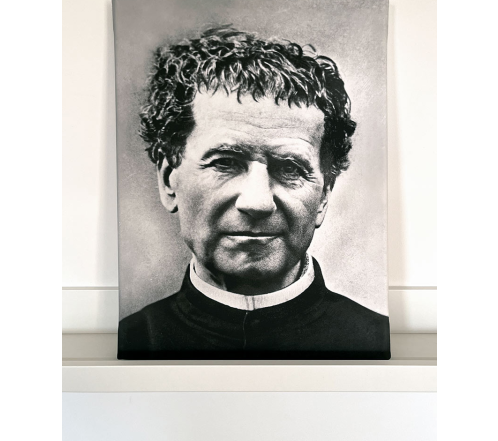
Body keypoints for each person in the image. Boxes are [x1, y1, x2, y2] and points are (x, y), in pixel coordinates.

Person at [118, 26, 390, 359]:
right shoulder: (132, 342)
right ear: (167, 180)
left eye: (289, 169)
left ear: (324, 196)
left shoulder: (375, 345)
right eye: (225, 163)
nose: (258, 202)